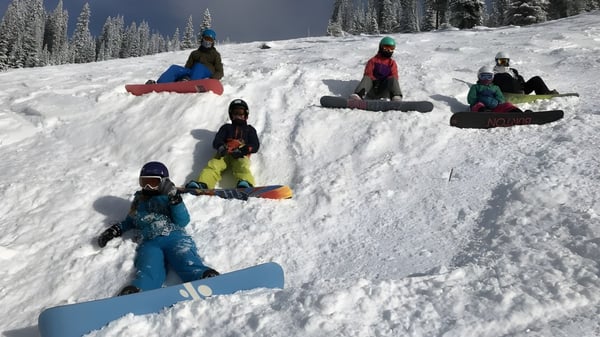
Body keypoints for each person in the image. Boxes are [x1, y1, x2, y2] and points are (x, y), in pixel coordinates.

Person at [97, 161, 219, 296]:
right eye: (145, 182)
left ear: (164, 182)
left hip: (174, 236)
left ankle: (201, 276)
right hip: (149, 242)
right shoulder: (139, 202)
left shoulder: (169, 197)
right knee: (148, 265)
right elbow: (130, 221)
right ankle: (140, 289)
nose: (148, 187)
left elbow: (182, 221)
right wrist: (115, 230)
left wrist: (175, 199)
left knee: (184, 256)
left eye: (153, 183)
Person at [186, 99, 259, 190]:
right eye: (235, 113)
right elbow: (217, 140)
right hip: (225, 151)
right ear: (231, 115)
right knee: (213, 165)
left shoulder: (249, 130)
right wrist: (221, 147)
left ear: (246, 115)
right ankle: (203, 183)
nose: (238, 116)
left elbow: (255, 145)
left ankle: (246, 183)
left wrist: (243, 150)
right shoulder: (226, 128)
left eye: (240, 112)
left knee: (241, 165)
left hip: (240, 152)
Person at [146, 29, 224, 84]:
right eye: (206, 39)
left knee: (199, 66)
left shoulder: (215, 55)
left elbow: (220, 72)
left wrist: (211, 79)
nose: (208, 41)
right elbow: (187, 68)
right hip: (193, 74)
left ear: (213, 42)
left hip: (207, 75)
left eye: (210, 40)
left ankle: (189, 83)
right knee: (174, 68)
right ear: (202, 39)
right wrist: (184, 76)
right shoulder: (194, 53)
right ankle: (159, 84)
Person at [349, 36, 403, 101]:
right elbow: (368, 73)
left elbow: (394, 75)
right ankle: (358, 95)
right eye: (386, 48)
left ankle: (396, 97)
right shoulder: (373, 61)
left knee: (393, 79)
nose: (388, 51)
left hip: (384, 91)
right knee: (367, 77)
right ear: (381, 47)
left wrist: (384, 81)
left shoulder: (392, 63)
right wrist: (375, 81)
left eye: (391, 48)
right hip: (371, 89)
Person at [492, 51, 558, 95]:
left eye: (505, 61)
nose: (503, 63)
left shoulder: (512, 71)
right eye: (501, 61)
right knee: (505, 76)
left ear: (508, 61)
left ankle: (545, 94)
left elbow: (522, 83)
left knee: (536, 79)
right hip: (507, 93)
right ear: (496, 61)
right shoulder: (494, 72)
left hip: (521, 91)